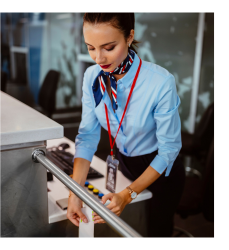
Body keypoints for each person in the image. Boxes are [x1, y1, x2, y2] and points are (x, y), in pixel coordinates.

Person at [67, 13, 185, 237]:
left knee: (155, 232)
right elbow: (87, 137)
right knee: (127, 230)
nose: (98, 58)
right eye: (90, 47)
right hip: (123, 163)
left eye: (109, 47)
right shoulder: (92, 76)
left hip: (160, 170)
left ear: (129, 37)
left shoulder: (160, 82)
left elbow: (169, 151)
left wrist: (128, 195)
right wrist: (75, 193)